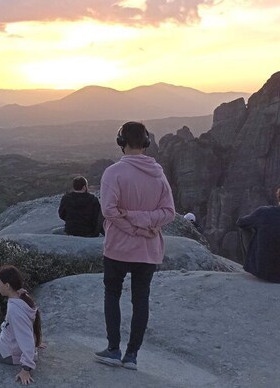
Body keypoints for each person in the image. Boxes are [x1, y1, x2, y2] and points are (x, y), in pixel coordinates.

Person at [94, 121, 175, 371]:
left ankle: (113, 349)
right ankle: (131, 356)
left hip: (118, 246)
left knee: (112, 294)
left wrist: (132, 224)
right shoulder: (159, 175)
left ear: (121, 142)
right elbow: (169, 213)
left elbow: (109, 211)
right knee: (141, 300)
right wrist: (145, 225)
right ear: (146, 143)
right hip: (149, 248)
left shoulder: (113, 173)